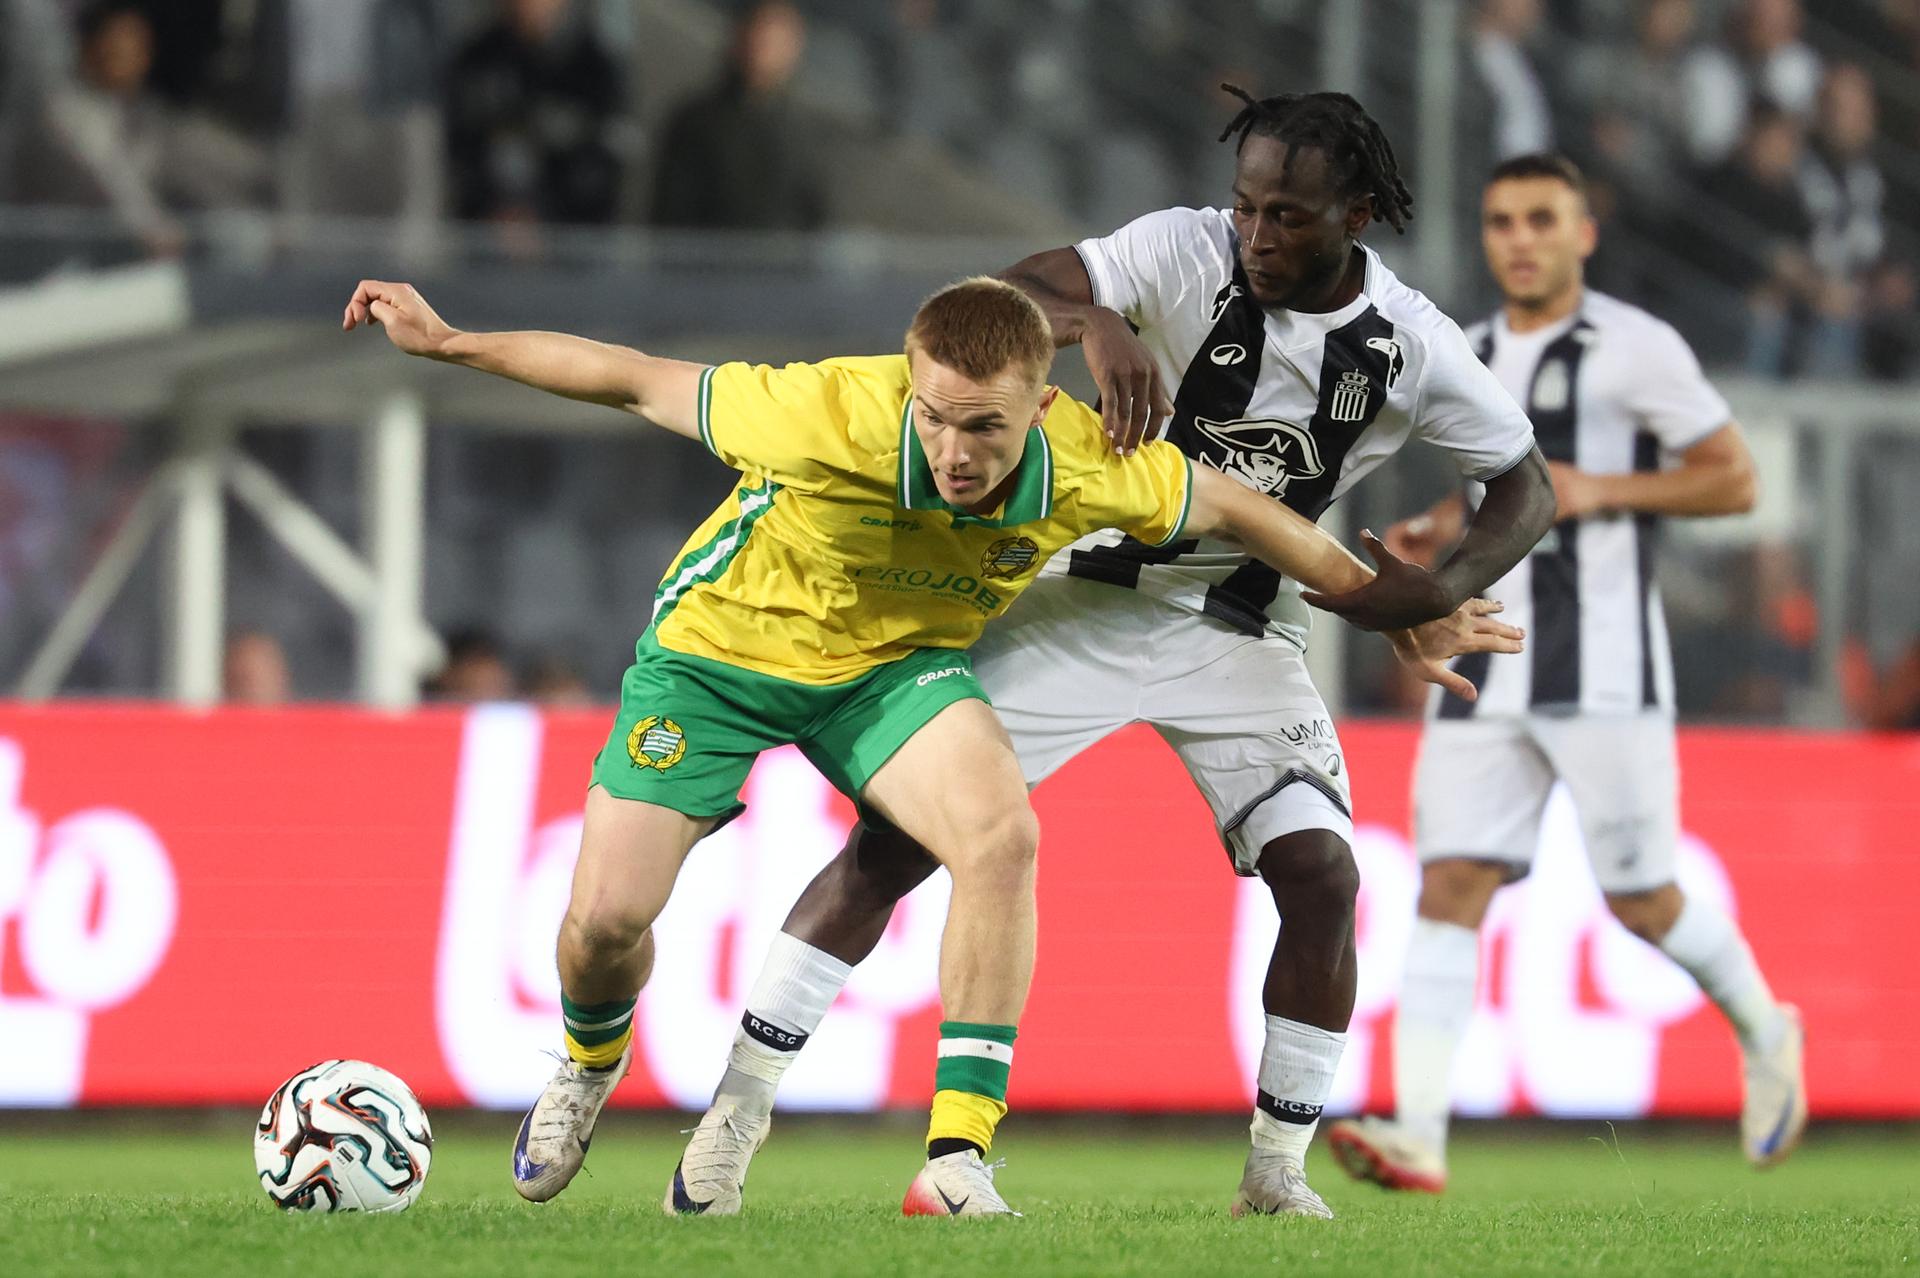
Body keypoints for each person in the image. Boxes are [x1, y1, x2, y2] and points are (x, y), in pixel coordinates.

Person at [342, 272, 1521, 1218]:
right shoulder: (824, 412)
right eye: (936, 418)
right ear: (906, 386)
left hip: (893, 673)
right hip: (716, 660)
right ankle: (588, 1062)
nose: (956, 450)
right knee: (604, 927)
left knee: (1000, 838)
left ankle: (957, 1155)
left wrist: (1397, 605)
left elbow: (1247, 512)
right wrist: (451, 345)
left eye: (985, 427)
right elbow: (631, 378)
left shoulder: (1092, 459)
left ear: (1041, 401)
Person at [668, 87, 1556, 1222]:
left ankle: (1276, 1176)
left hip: (1244, 629)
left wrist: (1437, 594)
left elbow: (1527, 487)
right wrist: (1095, 323)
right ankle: (734, 1118)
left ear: (1361, 215)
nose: (1257, 235)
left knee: (1326, 876)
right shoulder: (1179, 251)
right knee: (896, 849)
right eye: (1247, 208)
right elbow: (1002, 297)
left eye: (1288, 216)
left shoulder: (1411, 346)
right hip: (1077, 601)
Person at [1324, 153, 1805, 1194]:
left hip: (1608, 670)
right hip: (1487, 653)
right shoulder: (1470, 350)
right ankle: (1416, 1131)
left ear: (1584, 232)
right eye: (1502, 221)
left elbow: (1734, 479)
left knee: (1642, 899)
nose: (1521, 238)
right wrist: (1435, 534)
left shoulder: (1636, 348)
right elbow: (1491, 506)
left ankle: (1768, 1029)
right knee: (1451, 880)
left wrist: (1598, 488)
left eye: (1543, 218)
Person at [649, 0, 825, 231]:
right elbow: (670, 216)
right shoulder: (696, 121)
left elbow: (816, 217)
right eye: (759, 34)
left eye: (776, 39)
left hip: (777, 263)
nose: (763, 46)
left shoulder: (804, 129)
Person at [444, 0, 623, 226]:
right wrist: (499, 210)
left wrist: (543, 217)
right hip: (484, 232)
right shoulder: (476, 60)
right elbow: (459, 153)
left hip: (573, 237)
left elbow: (604, 166)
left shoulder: (597, 70)